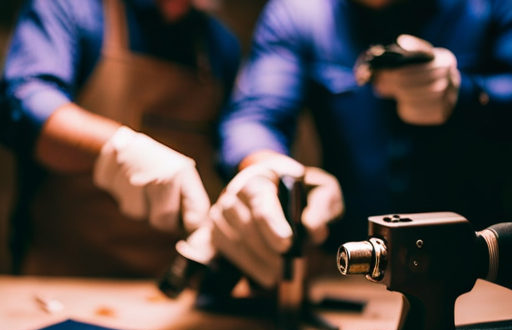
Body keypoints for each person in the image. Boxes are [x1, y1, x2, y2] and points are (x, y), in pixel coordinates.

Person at [201, 0, 512, 289]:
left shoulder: (490, 6)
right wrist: (266, 169)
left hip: (480, 265)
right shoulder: (300, 12)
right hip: (351, 266)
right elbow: (255, 118)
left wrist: (471, 95)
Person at [0, 0, 240, 277]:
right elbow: (24, 102)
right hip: (61, 278)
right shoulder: (72, 8)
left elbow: (233, 144)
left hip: (169, 291)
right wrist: (118, 150)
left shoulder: (221, 45)